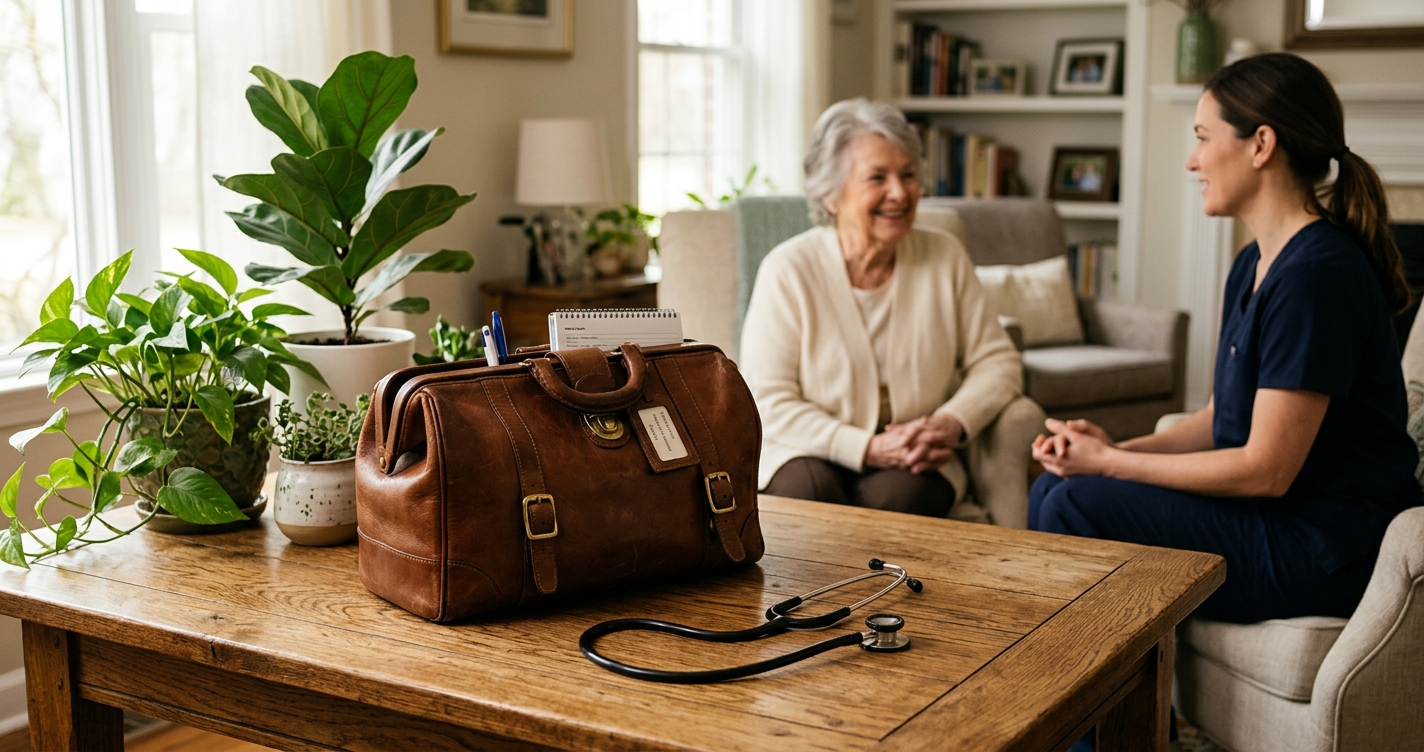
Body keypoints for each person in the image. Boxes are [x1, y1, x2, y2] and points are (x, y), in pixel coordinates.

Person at [1030, 53, 1421, 625]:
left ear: (1261, 144)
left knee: (1072, 505)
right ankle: (1122, 712)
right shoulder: (1253, 263)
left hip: (1325, 546)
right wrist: (1105, 453)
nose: (1192, 161)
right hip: (1275, 518)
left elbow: (1266, 468)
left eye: (1203, 137)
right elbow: (1221, 420)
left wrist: (1112, 464)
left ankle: (1089, 712)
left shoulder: (1317, 274)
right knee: (1054, 489)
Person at [740, 98, 1023, 517]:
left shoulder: (944, 257)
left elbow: (998, 363)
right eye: (878, 177)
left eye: (908, 175)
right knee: (808, 494)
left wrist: (949, 422)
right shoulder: (788, 269)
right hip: (808, 448)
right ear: (830, 196)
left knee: (899, 500)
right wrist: (866, 448)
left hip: (914, 455)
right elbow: (767, 398)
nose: (899, 192)